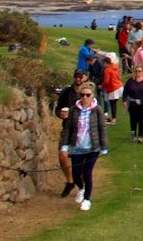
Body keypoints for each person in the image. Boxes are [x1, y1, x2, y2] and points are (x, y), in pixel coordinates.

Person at [60, 81, 108, 211]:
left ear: (92, 96)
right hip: (77, 146)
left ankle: (87, 199)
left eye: (88, 95)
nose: (85, 98)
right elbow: (68, 128)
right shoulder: (74, 110)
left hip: (92, 147)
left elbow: (101, 128)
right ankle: (81, 188)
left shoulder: (97, 110)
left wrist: (104, 146)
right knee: (76, 174)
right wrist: (64, 146)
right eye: (82, 95)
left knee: (87, 172)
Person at [55, 69, 87, 198]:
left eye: (80, 77)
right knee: (62, 155)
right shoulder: (67, 92)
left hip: (82, 131)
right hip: (67, 129)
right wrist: (60, 114)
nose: (78, 79)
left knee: (79, 160)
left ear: (84, 78)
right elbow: (58, 108)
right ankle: (70, 181)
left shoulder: (87, 93)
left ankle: (81, 184)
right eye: (76, 77)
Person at [123, 65, 143, 143]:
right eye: (136, 71)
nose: (137, 73)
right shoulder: (130, 81)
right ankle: (133, 134)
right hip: (133, 103)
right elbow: (125, 91)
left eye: (139, 71)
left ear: (142, 72)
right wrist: (124, 100)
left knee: (141, 119)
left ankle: (140, 136)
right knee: (133, 119)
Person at [101, 53, 123, 124]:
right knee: (114, 103)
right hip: (119, 86)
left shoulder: (107, 70)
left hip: (113, 87)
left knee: (112, 103)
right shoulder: (115, 67)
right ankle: (113, 117)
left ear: (106, 63)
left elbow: (106, 81)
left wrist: (101, 86)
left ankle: (113, 119)